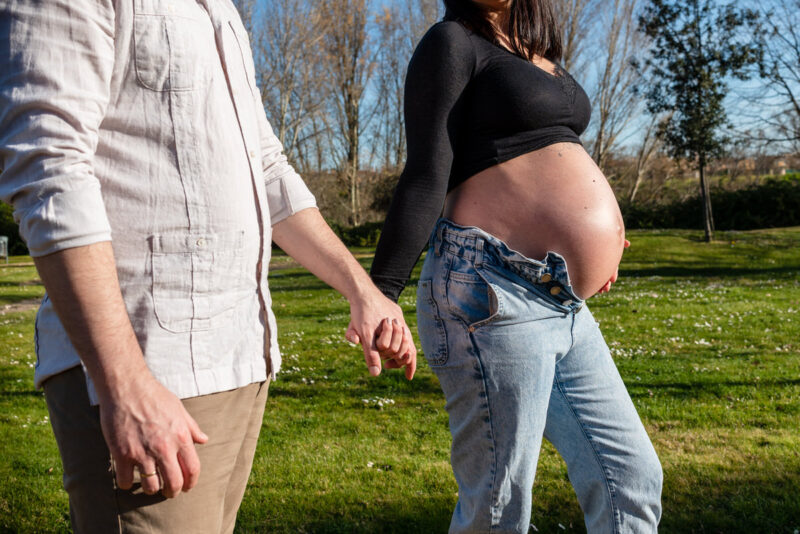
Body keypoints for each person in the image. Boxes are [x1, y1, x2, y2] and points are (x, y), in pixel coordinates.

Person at [0, 0, 415, 532]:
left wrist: (362, 289)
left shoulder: (219, 8)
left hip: (239, 361)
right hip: (146, 370)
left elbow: (266, 167)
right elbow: (48, 170)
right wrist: (124, 384)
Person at [370, 1, 663, 532]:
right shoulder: (452, 42)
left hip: (561, 297)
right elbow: (425, 173)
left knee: (632, 479)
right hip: (491, 291)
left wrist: (594, 245)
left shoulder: (541, 56)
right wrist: (381, 293)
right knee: (499, 509)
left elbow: (554, 158)